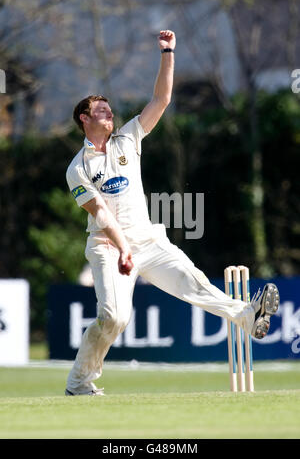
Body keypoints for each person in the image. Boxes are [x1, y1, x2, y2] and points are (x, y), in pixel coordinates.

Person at [65, 30, 280, 396]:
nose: (109, 112)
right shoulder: (77, 168)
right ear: (84, 119)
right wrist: (123, 249)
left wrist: (168, 52)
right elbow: (100, 212)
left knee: (192, 281)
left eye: (110, 108)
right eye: (101, 109)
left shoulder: (128, 139)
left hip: (147, 239)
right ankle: (80, 382)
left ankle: (246, 315)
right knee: (114, 318)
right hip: (107, 247)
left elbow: (162, 98)